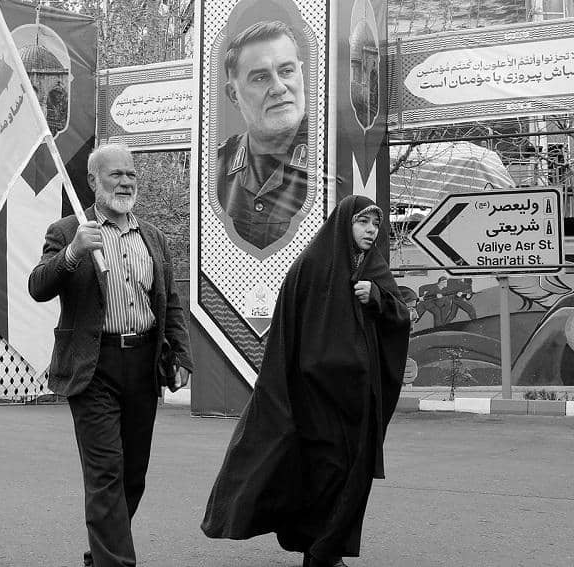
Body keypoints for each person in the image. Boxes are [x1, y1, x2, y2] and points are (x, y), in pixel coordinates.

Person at [201, 195, 411, 567]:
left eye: (375, 225)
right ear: (344, 224)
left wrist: (377, 298)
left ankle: (325, 549)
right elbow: (290, 332)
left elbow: (400, 317)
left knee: (355, 475)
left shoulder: (373, 268)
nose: (370, 231)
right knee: (324, 473)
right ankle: (320, 552)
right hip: (315, 395)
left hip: (360, 396)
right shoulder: (312, 266)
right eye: (363, 222)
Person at [28, 143, 193, 567]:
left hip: (142, 364)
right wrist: (73, 254)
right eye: (115, 174)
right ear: (92, 181)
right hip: (93, 365)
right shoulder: (68, 231)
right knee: (106, 473)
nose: (124, 181)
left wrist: (181, 356)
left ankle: (100, 553)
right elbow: (38, 286)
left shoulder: (152, 237)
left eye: (130, 174)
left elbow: (169, 300)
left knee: (131, 476)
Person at [216, 20, 309, 252]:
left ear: (301, 73)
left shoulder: (329, 157)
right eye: (260, 78)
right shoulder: (215, 166)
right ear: (233, 95)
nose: (278, 88)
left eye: (287, 71)